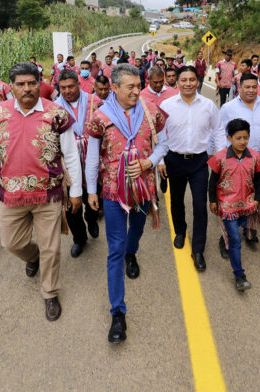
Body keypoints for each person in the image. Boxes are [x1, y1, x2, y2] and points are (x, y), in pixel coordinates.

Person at [0, 62, 82, 322]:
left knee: (52, 248)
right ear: (10, 86)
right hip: (10, 196)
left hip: (48, 195)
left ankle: (50, 293)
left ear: (40, 83)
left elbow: (70, 154)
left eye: (32, 83)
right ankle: (32, 257)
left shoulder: (56, 114)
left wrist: (76, 189)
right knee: (11, 242)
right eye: (20, 84)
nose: (27, 89)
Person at [84, 64, 168, 344]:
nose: (136, 90)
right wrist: (90, 190)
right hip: (112, 192)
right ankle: (118, 313)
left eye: (138, 85)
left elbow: (163, 145)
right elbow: (93, 157)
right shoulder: (100, 118)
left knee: (138, 229)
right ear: (115, 88)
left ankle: (133, 252)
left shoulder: (150, 112)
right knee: (115, 249)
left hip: (143, 188)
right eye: (130, 86)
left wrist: (149, 162)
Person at [157, 66, 225, 271]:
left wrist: (220, 156)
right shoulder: (166, 104)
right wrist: (160, 160)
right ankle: (180, 231)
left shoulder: (208, 106)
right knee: (176, 201)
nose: (187, 83)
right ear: (177, 82)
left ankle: (198, 249)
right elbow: (160, 134)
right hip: (174, 160)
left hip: (199, 162)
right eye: (183, 79)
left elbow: (219, 130)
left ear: (198, 82)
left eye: (192, 79)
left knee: (199, 204)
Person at [217, 73, 260, 251]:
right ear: (239, 88)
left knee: (253, 197)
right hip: (233, 162)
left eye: (253, 87)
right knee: (231, 199)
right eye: (247, 87)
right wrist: (221, 158)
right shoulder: (228, 108)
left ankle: (250, 229)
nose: (251, 90)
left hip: (257, 162)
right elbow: (219, 132)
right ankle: (226, 237)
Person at [208, 119, 260, 291]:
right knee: (235, 240)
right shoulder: (220, 158)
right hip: (228, 207)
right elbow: (212, 181)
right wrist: (213, 200)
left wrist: (257, 198)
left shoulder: (255, 157)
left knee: (245, 226)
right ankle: (239, 275)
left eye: (246, 137)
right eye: (238, 138)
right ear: (229, 138)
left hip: (249, 204)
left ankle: (245, 232)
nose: (242, 142)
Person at [56, 69, 103, 257]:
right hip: (68, 163)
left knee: (94, 196)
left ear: (78, 84)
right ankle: (79, 238)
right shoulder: (55, 108)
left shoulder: (95, 101)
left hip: (93, 158)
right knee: (70, 206)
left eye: (70, 86)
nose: (67, 91)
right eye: (63, 88)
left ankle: (91, 219)